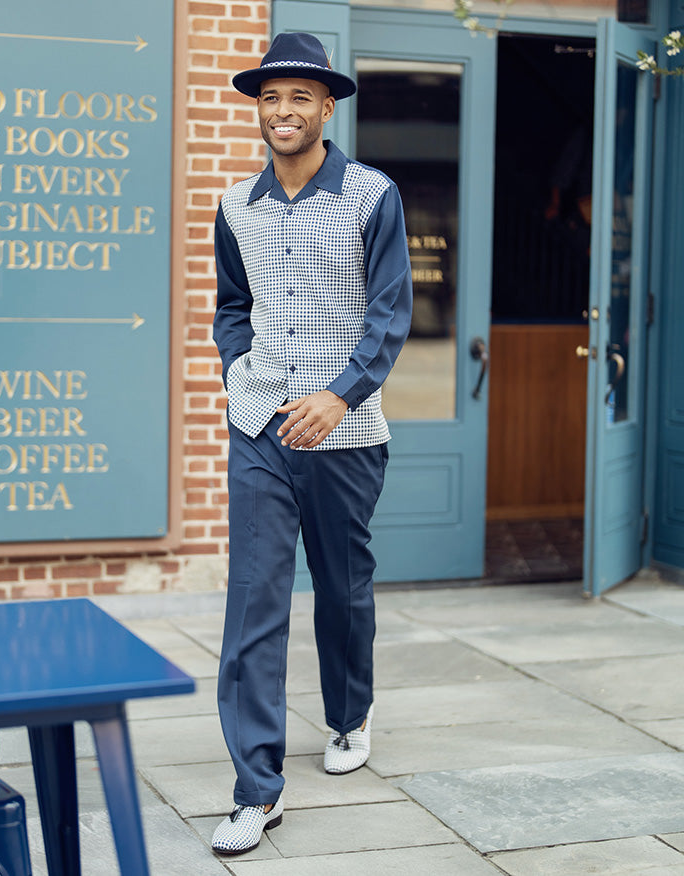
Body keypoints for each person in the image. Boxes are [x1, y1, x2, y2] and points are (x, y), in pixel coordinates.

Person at [210, 31, 412, 856]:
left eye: (300, 97)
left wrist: (339, 395)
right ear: (257, 109)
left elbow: (390, 314)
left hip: (347, 434)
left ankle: (349, 715)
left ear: (327, 107)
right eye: (270, 97)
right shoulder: (235, 206)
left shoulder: (371, 195)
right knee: (254, 601)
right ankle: (257, 790)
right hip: (259, 428)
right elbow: (231, 307)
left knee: (341, 590)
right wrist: (238, 378)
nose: (283, 111)